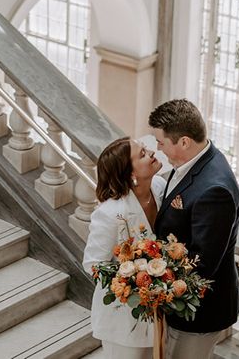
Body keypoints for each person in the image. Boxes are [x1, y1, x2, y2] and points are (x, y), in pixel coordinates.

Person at [150, 98, 239, 359]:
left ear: (184, 142)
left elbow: (201, 263)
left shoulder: (214, 190)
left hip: (199, 312)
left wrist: (154, 279)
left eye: (161, 142)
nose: (158, 149)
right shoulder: (197, 160)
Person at [83, 137, 167, 359]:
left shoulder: (159, 187)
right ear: (130, 174)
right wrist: (133, 281)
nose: (150, 152)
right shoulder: (111, 213)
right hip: (122, 319)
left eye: (145, 149)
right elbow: (93, 264)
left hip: (157, 313)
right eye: (141, 154)